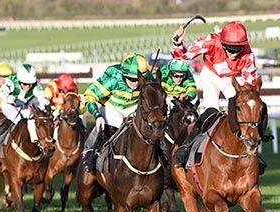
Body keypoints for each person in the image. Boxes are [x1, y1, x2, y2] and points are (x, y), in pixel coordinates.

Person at [170, 21, 269, 169]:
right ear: (222, 42)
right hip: (210, 76)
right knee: (211, 112)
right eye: (230, 48)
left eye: (238, 49)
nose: (234, 53)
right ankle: (185, 148)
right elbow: (183, 56)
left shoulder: (248, 55)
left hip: (230, 79)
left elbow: (250, 86)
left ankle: (254, 148)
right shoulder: (210, 41)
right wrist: (177, 43)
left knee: (248, 108)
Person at [80, 53, 151, 173]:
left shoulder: (148, 77)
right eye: (131, 79)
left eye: (138, 79)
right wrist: (97, 116)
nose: (136, 83)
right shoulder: (113, 80)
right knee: (117, 122)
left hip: (133, 107)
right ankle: (90, 152)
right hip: (112, 107)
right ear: (124, 75)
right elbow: (89, 95)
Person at [0, 63, 50, 154]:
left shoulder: (36, 85)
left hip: (22, 106)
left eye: (30, 84)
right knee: (19, 120)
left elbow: (44, 99)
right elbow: (2, 93)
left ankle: (36, 142)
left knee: (33, 117)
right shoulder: (11, 81)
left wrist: (42, 106)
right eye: (25, 84)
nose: (28, 87)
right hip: (8, 105)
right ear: (20, 80)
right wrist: (12, 99)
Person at [44, 73, 82, 141]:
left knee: (81, 121)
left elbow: (77, 102)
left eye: (71, 89)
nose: (69, 91)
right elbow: (45, 103)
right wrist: (53, 109)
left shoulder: (74, 88)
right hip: (54, 110)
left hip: (68, 111)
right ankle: (50, 140)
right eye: (68, 89)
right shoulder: (50, 88)